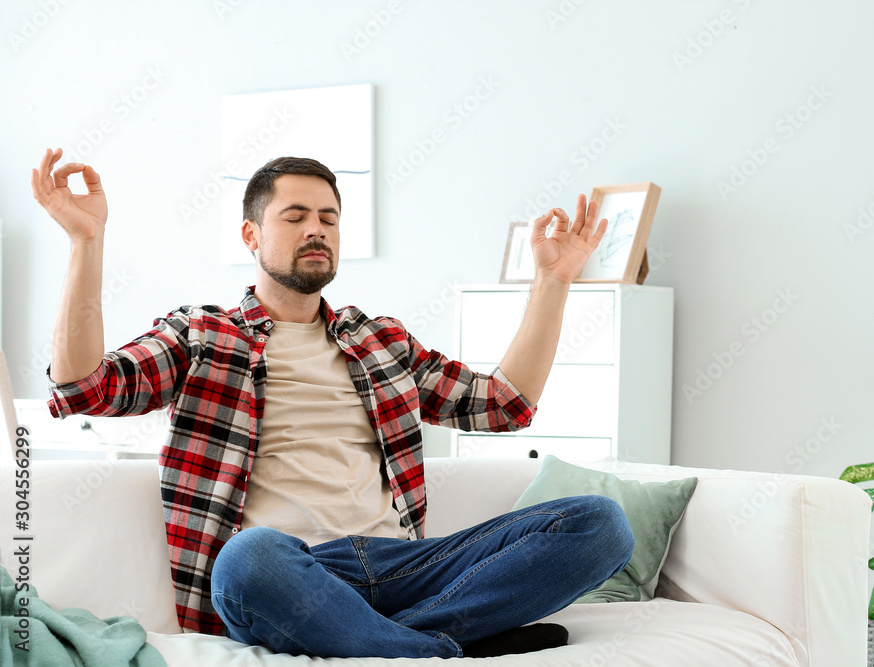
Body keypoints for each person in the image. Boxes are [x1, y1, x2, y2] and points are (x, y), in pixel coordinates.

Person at [31, 147, 635, 659]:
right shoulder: (203, 334)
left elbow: (504, 404)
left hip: (404, 568)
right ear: (251, 234)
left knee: (599, 524)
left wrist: (553, 282)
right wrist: (87, 242)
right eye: (294, 216)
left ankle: (395, 642)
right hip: (291, 575)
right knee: (245, 558)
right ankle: (439, 651)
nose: (316, 228)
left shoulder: (381, 341)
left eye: (328, 217)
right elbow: (85, 387)